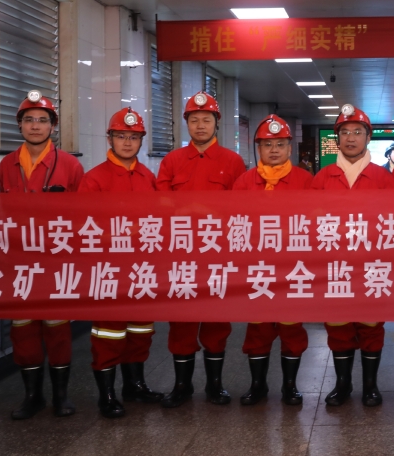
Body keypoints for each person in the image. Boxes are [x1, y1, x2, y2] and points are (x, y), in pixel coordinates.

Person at [155, 91, 246, 408]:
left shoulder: (233, 162)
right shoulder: (171, 161)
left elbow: (241, 211)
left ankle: (215, 386)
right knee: (181, 322)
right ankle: (181, 386)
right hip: (180, 256)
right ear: (187, 124)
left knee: (216, 322)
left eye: (206, 120)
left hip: (218, 257)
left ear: (216, 123)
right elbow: (161, 207)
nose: (200, 125)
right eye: (194, 120)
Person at [0, 91, 83, 420]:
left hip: (56, 263)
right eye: (29, 120)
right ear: (19, 125)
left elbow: (82, 218)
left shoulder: (70, 166)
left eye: (42, 120)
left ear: (53, 126)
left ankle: (61, 397)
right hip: (19, 263)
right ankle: (32, 396)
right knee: (23, 330)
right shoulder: (6, 165)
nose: (35, 126)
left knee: (57, 329)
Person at [79, 108, 164, 417]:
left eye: (134, 137)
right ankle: (107, 395)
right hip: (109, 271)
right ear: (110, 139)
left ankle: (135, 386)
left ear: (141, 141)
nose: (127, 142)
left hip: (142, 269)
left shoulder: (148, 178)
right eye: (121, 136)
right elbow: (85, 229)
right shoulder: (94, 179)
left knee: (141, 330)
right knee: (108, 333)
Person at [311, 104, 394, 406]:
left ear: (368, 137)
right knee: (338, 325)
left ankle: (371, 386)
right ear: (337, 138)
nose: (350, 138)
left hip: (373, 265)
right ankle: (343, 385)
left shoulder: (383, 178)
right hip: (334, 265)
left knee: (372, 325)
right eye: (345, 132)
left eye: (357, 132)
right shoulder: (323, 177)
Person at [233, 115, 314, 405]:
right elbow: (234, 226)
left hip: (294, 269)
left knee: (292, 329)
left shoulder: (306, 182)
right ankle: (258, 386)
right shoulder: (244, 183)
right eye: (267, 145)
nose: (274, 150)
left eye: (280, 144)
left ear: (290, 148)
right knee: (258, 328)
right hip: (257, 269)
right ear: (258, 149)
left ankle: (290, 387)